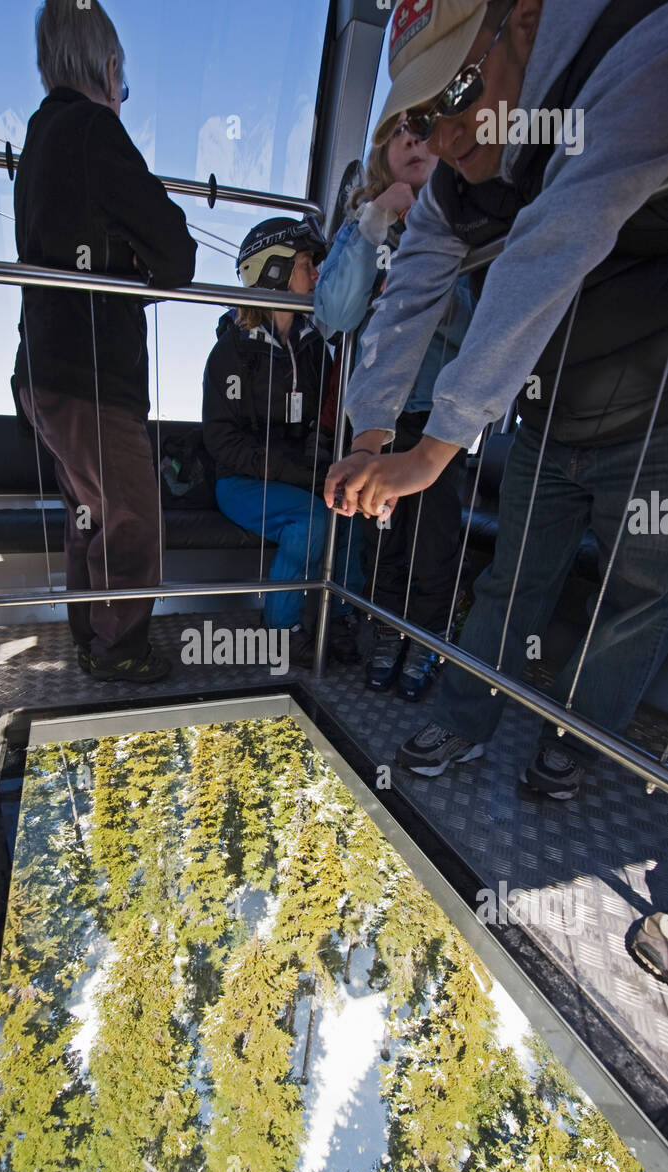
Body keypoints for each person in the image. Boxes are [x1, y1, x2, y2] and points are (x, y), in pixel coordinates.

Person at [325, 0, 668, 801]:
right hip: (547, 419)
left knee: (639, 597)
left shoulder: (640, 56)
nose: (441, 139)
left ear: (521, 21)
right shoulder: (456, 179)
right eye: (419, 116)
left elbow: (555, 241)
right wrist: (374, 435)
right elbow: (410, 286)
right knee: (506, 584)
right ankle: (463, 718)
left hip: (656, 420)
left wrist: (434, 449)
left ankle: (578, 743)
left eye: (455, 96)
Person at [13, 0, 197, 684]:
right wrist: (134, 270)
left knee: (88, 513)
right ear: (109, 66)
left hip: (43, 367)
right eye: (123, 79)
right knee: (130, 515)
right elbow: (175, 253)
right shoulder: (92, 128)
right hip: (91, 371)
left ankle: (94, 637)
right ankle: (120, 650)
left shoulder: (40, 137)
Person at [314, 115, 472, 700]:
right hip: (377, 418)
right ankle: (386, 631)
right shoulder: (363, 224)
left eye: (425, 128)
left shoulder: (469, 218)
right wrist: (376, 219)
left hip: (440, 414)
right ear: (383, 147)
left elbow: (476, 320)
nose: (412, 140)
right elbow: (334, 314)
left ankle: (426, 639)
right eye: (399, 130)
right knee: (383, 541)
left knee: (431, 542)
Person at [202, 218, 363, 668]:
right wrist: (285, 469)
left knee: (350, 514)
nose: (316, 276)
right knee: (311, 520)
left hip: (299, 473)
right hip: (241, 481)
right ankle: (282, 631)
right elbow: (220, 439)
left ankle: (340, 620)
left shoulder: (316, 348)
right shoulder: (231, 354)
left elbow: (327, 413)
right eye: (307, 265)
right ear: (272, 272)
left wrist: (321, 451)